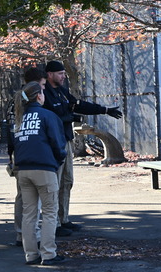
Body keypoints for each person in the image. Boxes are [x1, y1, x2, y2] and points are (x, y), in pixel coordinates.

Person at [43, 60, 122, 236]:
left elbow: (79, 105)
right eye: (60, 73)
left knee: (67, 181)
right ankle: (53, 224)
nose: (63, 76)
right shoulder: (43, 93)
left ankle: (63, 219)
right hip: (53, 144)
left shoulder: (62, 92)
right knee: (54, 183)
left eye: (64, 73)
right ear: (50, 74)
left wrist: (105, 110)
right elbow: (49, 118)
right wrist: (69, 117)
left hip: (66, 140)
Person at [13, 81, 67, 265]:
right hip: (44, 169)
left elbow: (13, 146)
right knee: (50, 212)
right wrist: (59, 160)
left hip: (23, 170)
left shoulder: (19, 118)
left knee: (29, 213)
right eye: (43, 92)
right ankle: (49, 254)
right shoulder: (47, 116)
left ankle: (31, 255)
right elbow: (58, 144)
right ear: (38, 96)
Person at [7, 67, 47, 246]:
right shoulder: (31, 105)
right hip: (32, 155)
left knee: (22, 197)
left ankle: (21, 233)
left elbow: (11, 131)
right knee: (34, 200)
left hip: (18, 154)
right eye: (43, 85)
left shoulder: (15, 101)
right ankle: (33, 236)